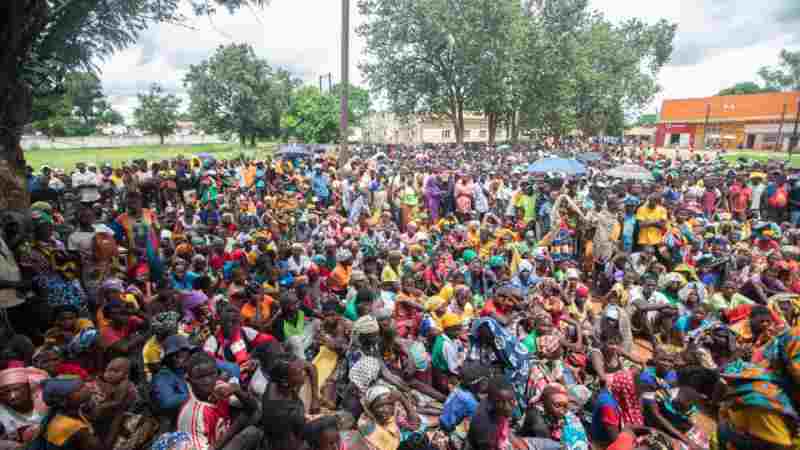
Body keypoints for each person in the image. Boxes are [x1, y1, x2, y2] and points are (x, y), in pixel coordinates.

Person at [176, 352, 262, 450]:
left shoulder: (218, 387)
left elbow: (254, 408)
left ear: (217, 373)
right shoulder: (191, 415)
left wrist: (237, 390)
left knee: (256, 417)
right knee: (252, 432)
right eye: (200, 377)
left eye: (211, 374)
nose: (208, 381)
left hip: (224, 437)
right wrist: (235, 427)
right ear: (189, 380)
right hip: (217, 444)